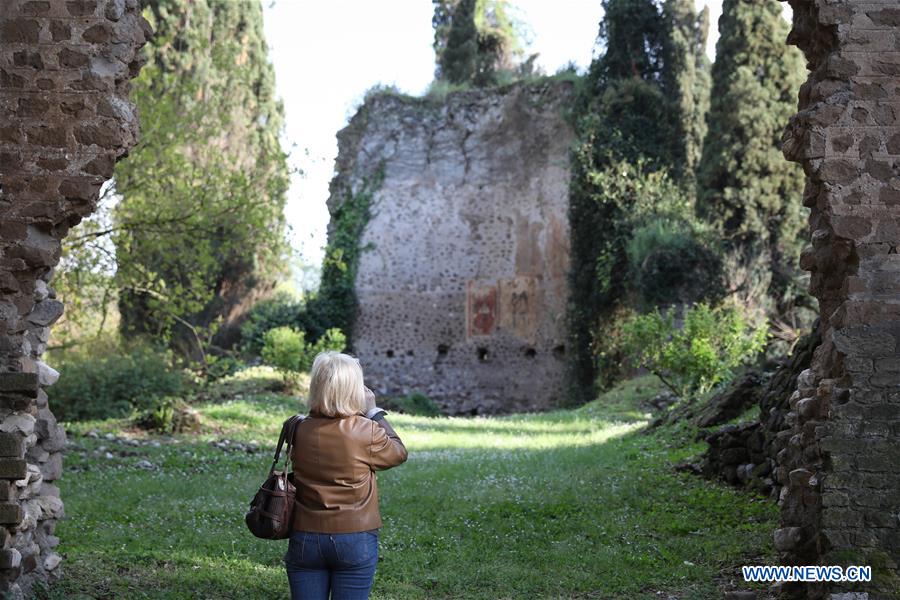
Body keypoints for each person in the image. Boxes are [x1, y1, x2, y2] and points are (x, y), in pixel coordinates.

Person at [284, 351, 408, 600]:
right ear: (354, 389)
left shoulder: (296, 428)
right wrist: (373, 412)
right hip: (355, 537)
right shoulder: (367, 430)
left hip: (305, 535)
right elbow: (399, 453)